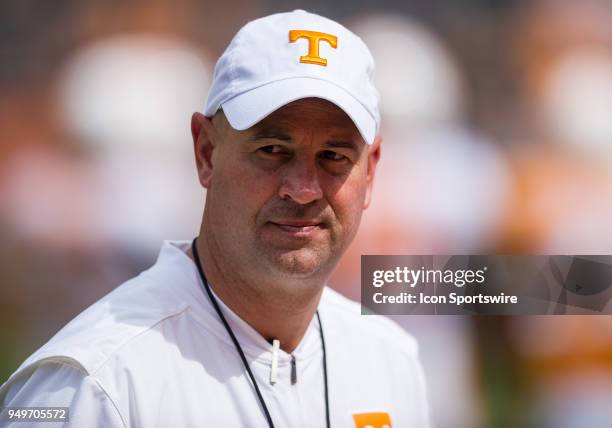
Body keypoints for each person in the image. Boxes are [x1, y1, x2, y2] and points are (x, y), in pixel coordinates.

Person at [0, 10, 430, 427]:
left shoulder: (389, 362)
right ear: (206, 152)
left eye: (333, 157)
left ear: (370, 171)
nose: (302, 188)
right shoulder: (96, 384)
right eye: (272, 150)